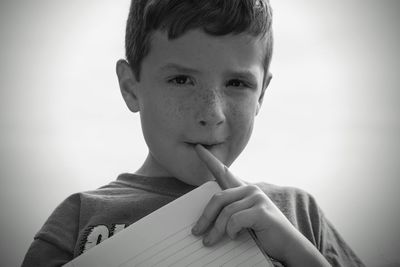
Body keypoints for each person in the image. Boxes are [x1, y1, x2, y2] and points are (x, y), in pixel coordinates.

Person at [22, 0, 365, 266]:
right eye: (181, 80)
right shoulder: (79, 217)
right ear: (130, 88)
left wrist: (296, 251)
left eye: (237, 83)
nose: (211, 114)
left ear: (262, 93)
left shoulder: (298, 214)